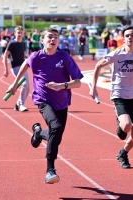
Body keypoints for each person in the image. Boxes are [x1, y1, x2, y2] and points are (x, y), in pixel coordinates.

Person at [6, 27, 83, 183]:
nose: (52, 40)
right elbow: (24, 65)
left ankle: (39, 133)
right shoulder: (36, 57)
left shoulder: (64, 57)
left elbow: (78, 83)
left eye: (55, 37)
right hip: (43, 99)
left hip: (61, 101)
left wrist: (63, 85)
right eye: (49, 37)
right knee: (56, 128)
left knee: (56, 136)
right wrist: (14, 84)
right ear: (42, 41)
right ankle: (50, 170)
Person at [89, 25, 133, 169]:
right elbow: (98, 65)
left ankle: (123, 153)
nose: (130, 38)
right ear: (124, 38)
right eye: (127, 35)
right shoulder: (117, 53)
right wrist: (94, 87)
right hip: (119, 94)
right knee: (127, 126)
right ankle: (120, 122)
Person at [3, 26, 29, 112]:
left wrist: (29, 58)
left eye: (21, 32)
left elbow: (24, 55)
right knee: (24, 84)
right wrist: (6, 69)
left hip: (23, 67)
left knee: (28, 87)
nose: (20, 34)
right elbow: (5, 56)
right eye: (18, 32)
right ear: (15, 33)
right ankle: (21, 104)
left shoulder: (23, 44)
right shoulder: (11, 43)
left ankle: (18, 104)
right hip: (15, 67)